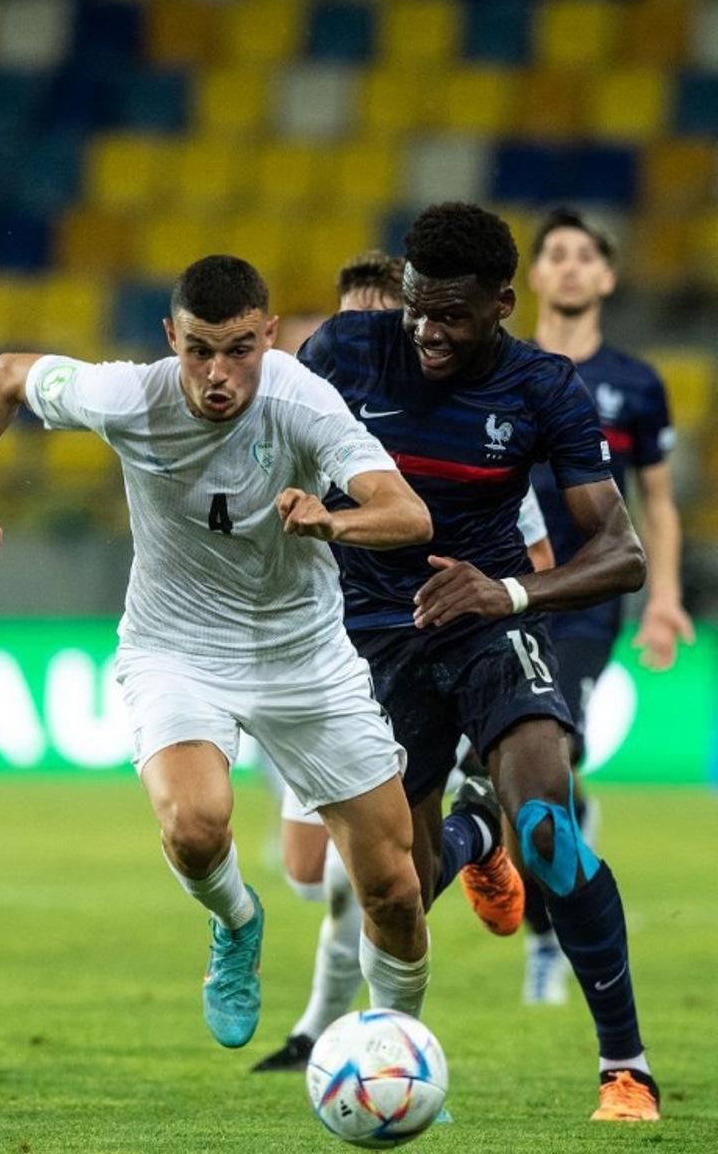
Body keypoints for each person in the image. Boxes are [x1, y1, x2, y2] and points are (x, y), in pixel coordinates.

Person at [0, 254, 438, 1050]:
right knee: (196, 825)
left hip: (304, 654)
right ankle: (236, 923)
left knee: (394, 888)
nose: (218, 373)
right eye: (198, 349)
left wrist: (333, 521)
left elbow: (408, 514)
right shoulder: (126, 395)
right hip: (176, 647)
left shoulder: (304, 402)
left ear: (270, 338)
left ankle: (400, 1054)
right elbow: (4, 376)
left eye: (240, 349)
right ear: (171, 337)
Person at [290, 202, 659, 1123]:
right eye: (417, 307)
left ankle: (627, 1067)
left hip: (489, 620)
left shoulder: (543, 387)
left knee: (548, 825)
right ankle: (471, 840)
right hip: (372, 636)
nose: (427, 331)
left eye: (452, 314)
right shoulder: (345, 351)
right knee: (402, 889)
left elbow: (622, 552)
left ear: (503, 303)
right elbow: (265, 459)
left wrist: (511, 595)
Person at [257, 252, 552, 1074]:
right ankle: (476, 831)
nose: (348, 345)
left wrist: (494, 621)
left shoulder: (459, 433)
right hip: (317, 656)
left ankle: (328, 1034)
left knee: (382, 880)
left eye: (367, 326)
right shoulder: (310, 421)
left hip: (415, 655)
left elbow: (533, 549)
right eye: (339, 327)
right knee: (311, 871)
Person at [516, 207, 694, 1005]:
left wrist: (665, 598)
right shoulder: (506, 369)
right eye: (556, 254)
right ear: (536, 276)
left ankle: (554, 942)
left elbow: (655, 503)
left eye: (586, 255)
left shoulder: (636, 384)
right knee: (518, 778)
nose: (571, 266)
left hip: (588, 596)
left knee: (553, 756)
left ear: (607, 276)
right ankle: (557, 898)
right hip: (506, 589)